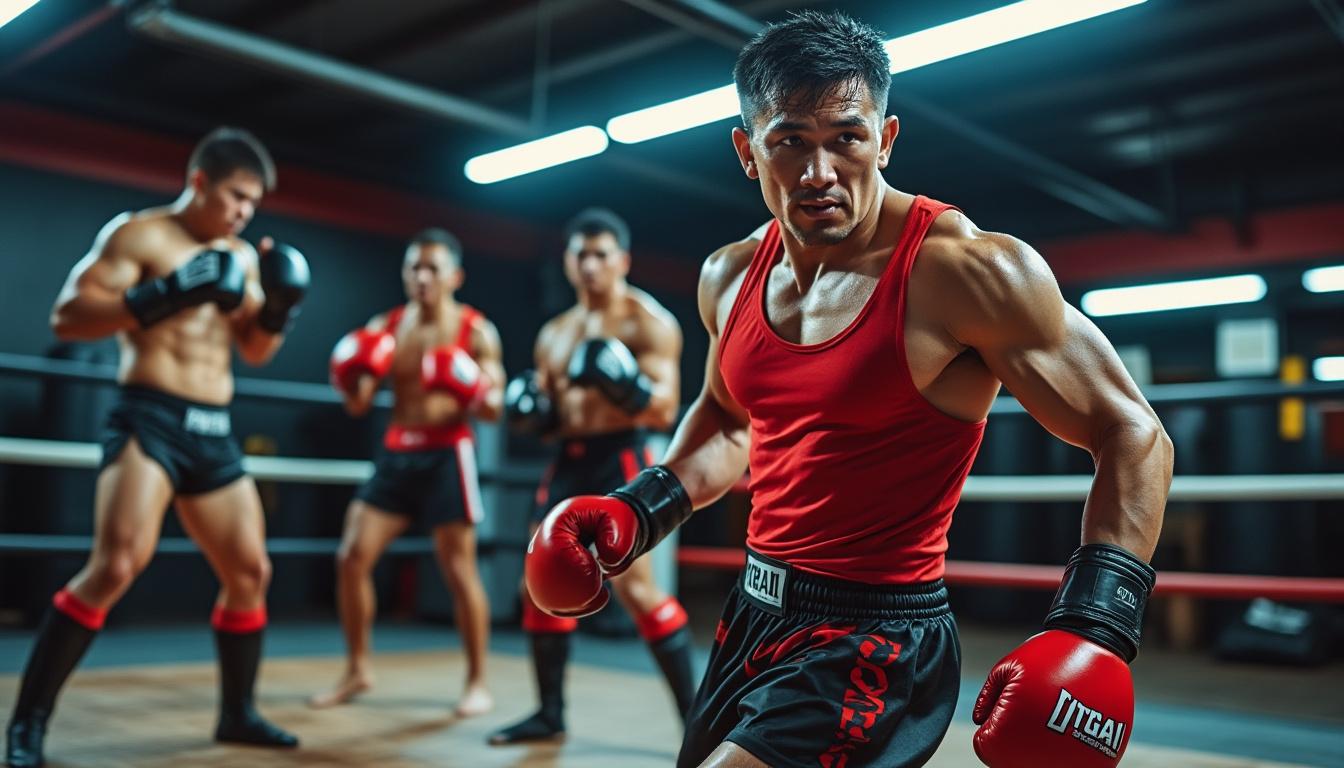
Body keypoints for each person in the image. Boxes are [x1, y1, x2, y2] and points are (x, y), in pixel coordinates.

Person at [524, 11, 1172, 768]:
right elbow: (730, 422)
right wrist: (641, 508)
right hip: (753, 617)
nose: (820, 172)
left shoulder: (965, 271)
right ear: (747, 151)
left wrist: (1096, 627)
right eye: (791, 141)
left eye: (847, 139)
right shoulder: (728, 277)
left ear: (886, 139)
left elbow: (1132, 432)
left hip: (877, 638)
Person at [5, 127, 309, 767]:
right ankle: (27, 724)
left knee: (250, 573)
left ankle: (237, 714)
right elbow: (68, 315)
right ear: (199, 181)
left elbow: (253, 350)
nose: (243, 213)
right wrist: (162, 294)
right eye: (234, 197)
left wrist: (277, 309)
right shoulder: (139, 235)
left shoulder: (243, 257)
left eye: (252, 203)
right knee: (115, 566)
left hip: (214, 425)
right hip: (151, 415)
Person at [489, 208, 698, 745]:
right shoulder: (554, 334)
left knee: (636, 589)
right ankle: (549, 714)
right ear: (567, 261)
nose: (590, 265)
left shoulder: (646, 322)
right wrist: (533, 411)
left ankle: (698, 723)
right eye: (581, 255)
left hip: (618, 459)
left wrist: (621, 383)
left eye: (601, 254)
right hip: (567, 461)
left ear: (622, 260)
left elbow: (664, 409)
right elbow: (548, 418)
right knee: (539, 584)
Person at [313, 228, 504, 718]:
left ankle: (477, 681)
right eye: (413, 268)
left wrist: (470, 384)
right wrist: (349, 377)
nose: (421, 277)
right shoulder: (388, 325)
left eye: (432, 269)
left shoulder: (476, 330)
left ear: (455, 276)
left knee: (459, 571)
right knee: (351, 556)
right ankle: (357, 668)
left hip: (447, 454)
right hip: (398, 451)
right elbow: (358, 405)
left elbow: (495, 408)